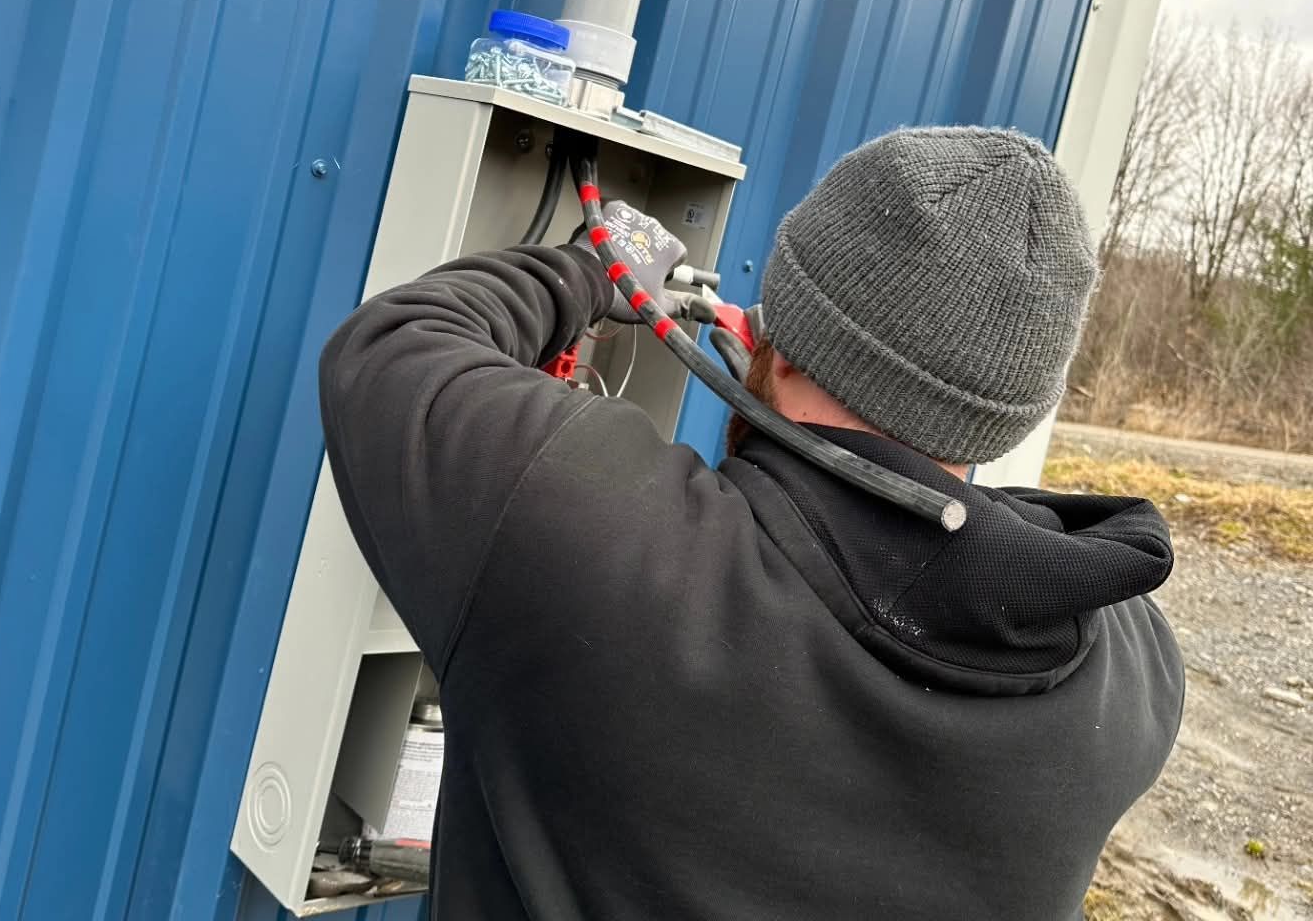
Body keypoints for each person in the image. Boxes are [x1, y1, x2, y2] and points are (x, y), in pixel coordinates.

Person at [320, 125, 1183, 920]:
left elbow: (394, 347)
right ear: (1012, 411)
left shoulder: (593, 537)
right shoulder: (1132, 679)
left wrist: (590, 269)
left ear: (787, 331)